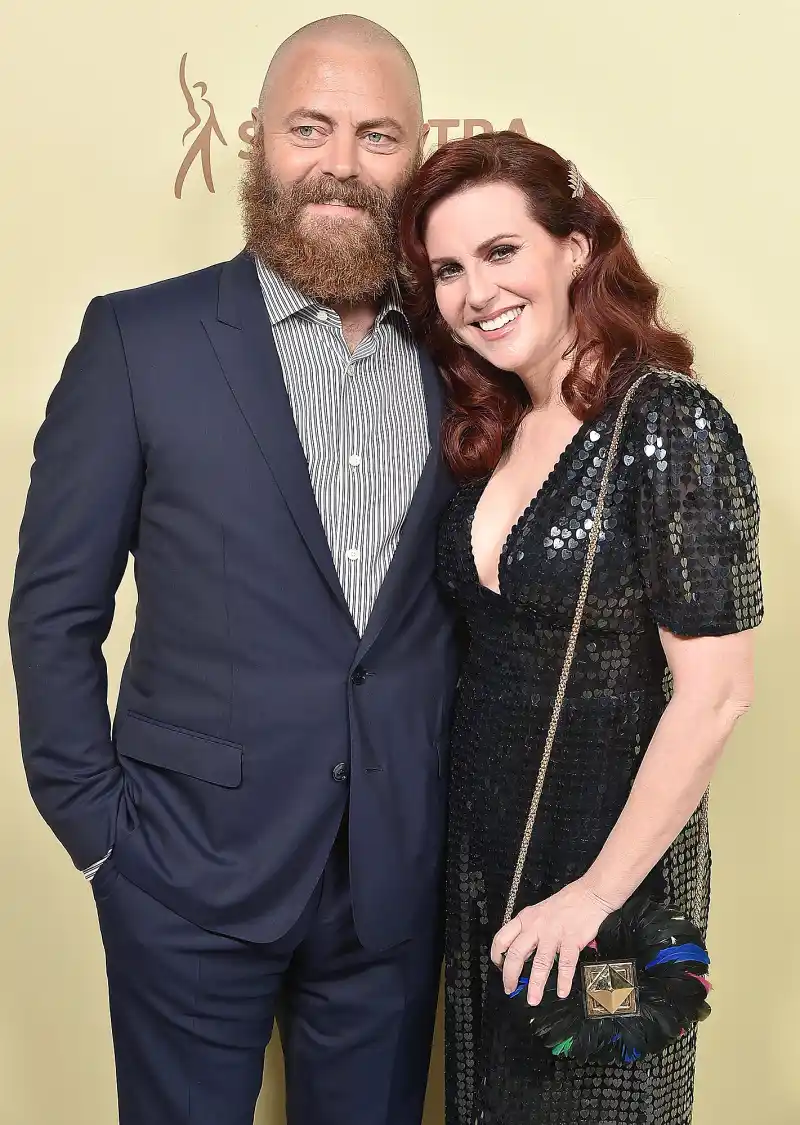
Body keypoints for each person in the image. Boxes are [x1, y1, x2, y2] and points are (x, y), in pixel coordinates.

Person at [9, 15, 458, 1125]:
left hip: (394, 893)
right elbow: (54, 608)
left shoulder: (470, 356)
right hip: (179, 878)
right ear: (259, 139)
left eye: (377, 135)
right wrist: (100, 838)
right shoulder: (138, 341)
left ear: (418, 156)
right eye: (309, 128)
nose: (340, 165)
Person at [398, 131, 763, 1125]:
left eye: (501, 251)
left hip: (609, 890)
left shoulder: (669, 423)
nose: (475, 292)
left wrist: (593, 893)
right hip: (486, 863)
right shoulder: (490, 428)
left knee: (597, 1102)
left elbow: (716, 692)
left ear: (573, 246)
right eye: (447, 269)